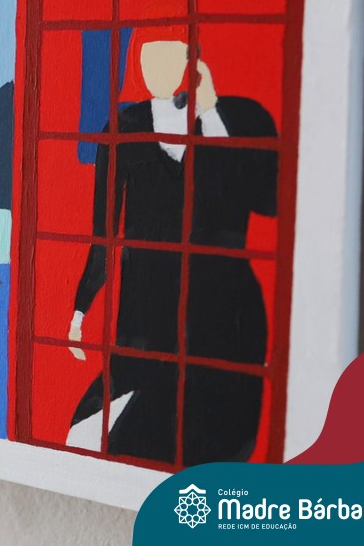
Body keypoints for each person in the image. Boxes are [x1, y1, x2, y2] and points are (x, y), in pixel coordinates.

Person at [65, 29, 277, 466]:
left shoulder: (236, 118)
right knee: (97, 438)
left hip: (222, 310)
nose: (152, 68)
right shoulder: (124, 126)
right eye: (146, 56)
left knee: (210, 437)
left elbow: (270, 202)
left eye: (167, 56)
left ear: (191, 64)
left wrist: (212, 113)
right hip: (145, 310)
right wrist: (81, 310)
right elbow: (104, 231)